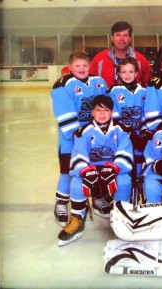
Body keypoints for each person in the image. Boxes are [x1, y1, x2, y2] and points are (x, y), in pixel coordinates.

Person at [58, 95, 134, 246]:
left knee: (124, 181)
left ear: (112, 112)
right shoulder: (83, 131)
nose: (102, 114)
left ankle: (121, 218)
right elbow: (78, 154)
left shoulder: (121, 129)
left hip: (113, 169)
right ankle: (77, 219)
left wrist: (113, 168)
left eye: (106, 110)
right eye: (98, 110)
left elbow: (125, 152)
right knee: (76, 183)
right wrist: (85, 171)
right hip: (91, 169)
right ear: (92, 112)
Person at [51, 50, 108, 227]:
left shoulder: (98, 82)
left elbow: (105, 107)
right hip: (71, 140)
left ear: (89, 65)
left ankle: (97, 197)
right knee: (68, 171)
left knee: (96, 167)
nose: (82, 69)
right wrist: (79, 135)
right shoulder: (62, 84)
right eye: (77, 66)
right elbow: (64, 113)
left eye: (85, 65)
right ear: (69, 67)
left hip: (93, 137)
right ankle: (61, 203)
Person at [107, 57, 148, 179]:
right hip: (121, 137)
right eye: (124, 72)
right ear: (119, 74)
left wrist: (144, 134)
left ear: (136, 73)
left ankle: (137, 186)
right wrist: (128, 133)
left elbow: (146, 115)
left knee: (138, 166)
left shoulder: (144, 92)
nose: (127, 75)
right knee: (122, 166)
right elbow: (114, 118)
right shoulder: (113, 91)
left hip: (139, 137)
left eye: (131, 71)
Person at [90, 21, 152, 87]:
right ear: (112, 38)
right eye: (118, 35)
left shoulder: (141, 60)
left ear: (130, 39)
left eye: (125, 35)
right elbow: (90, 85)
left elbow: (148, 87)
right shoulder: (99, 59)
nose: (121, 39)